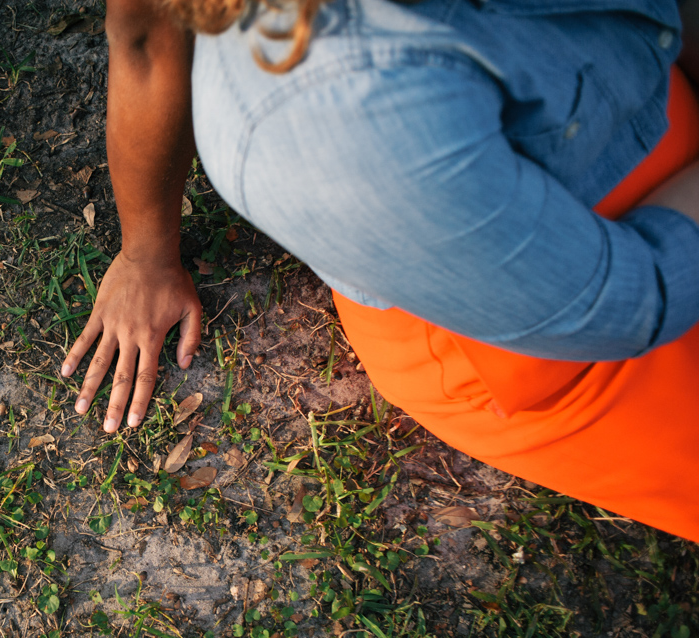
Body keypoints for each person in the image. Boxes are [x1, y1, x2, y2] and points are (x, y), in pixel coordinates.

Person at [60, 0, 699, 542]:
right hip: (514, 325)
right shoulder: (352, 110)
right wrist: (145, 249)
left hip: (626, 109)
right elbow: (629, 298)